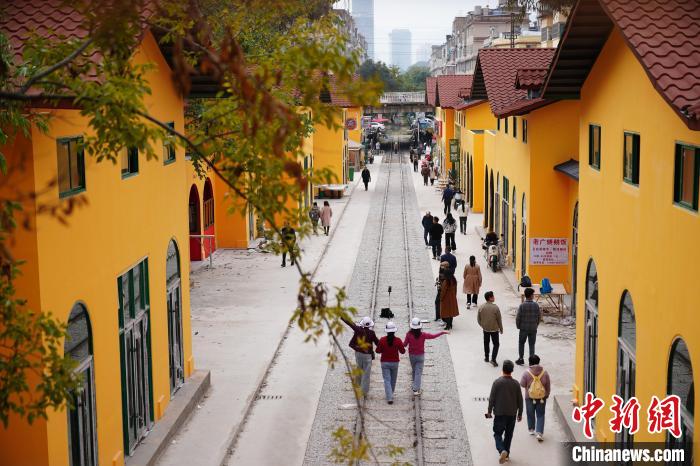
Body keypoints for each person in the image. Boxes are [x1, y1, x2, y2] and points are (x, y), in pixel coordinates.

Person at [486, 360, 523, 464]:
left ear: (502, 370)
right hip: (512, 414)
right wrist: (520, 413)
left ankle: (502, 450)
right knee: (509, 434)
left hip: (499, 413)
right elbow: (520, 400)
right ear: (512, 371)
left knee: (497, 433)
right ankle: (506, 456)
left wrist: (489, 411)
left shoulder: (497, 382)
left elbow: (492, 399)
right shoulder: (516, 384)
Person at [403, 317, 449, 395]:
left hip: (412, 356)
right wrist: (442, 332)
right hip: (420, 356)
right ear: (420, 327)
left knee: (414, 370)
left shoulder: (409, 334)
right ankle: (416, 389)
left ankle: (415, 385)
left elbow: (404, 344)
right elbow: (433, 336)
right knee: (418, 372)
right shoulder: (423, 335)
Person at [341, 315, 379, 398]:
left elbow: (350, 323)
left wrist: (342, 317)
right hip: (368, 356)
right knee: (366, 373)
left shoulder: (358, 330)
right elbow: (377, 343)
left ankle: (358, 389)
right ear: (369, 325)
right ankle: (364, 392)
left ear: (363, 324)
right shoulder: (372, 333)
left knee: (359, 370)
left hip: (358, 354)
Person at [519, 354, 551, 441]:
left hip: (529, 397)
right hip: (541, 397)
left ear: (530, 363)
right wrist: (547, 394)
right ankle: (539, 432)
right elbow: (548, 385)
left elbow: (522, 384)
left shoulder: (526, 373)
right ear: (538, 362)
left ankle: (531, 429)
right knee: (540, 414)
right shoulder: (545, 372)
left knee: (530, 413)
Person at [376, 321, 405, 405]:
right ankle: (390, 394)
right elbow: (402, 351)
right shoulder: (398, 340)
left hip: (384, 362)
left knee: (387, 380)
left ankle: (389, 397)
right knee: (393, 380)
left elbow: (377, 351)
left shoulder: (382, 340)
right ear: (394, 331)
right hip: (395, 363)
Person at [515, 288, 542, 366]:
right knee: (532, 344)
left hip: (523, 328)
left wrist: (518, 326)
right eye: (533, 294)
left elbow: (518, 317)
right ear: (530, 296)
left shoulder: (522, 305)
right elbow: (539, 317)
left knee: (521, 343)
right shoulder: (536, 305)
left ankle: (521, 359)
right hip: (533, 328)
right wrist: (536, 325)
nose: (533, 296)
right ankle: (532, 361)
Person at [478, 291, 503, 367]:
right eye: (493, 296)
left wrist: (483, 325)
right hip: (494, 329)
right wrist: (501, 328)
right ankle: (493, 359)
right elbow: (499, 319)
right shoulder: (495, 307)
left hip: (485, 329)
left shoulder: (481, 307)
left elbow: (478, 319)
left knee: (486, 342)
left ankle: (486, 357)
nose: (494, 298)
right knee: (496, 344)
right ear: (490, 298)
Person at [439, 261, 459, 330]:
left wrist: (441, 298)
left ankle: (448, 325)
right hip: (452, 297)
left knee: (446, 312)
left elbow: (443, 291)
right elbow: (456, 289)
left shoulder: (446, 281)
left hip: (447, 298)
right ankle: (450, 324)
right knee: (451, 312)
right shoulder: (454, 280)